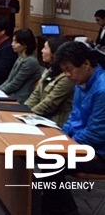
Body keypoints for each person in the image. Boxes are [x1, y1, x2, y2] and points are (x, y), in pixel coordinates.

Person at [42, 41, 105, 215]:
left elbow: (95, 134)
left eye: (70, 69)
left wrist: (65, 146)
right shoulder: (81, 83)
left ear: (86, 64)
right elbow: (73, 119)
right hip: (82, 145)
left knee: (50, 161)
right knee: (38, 156)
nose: (67, 75)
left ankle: (66, 211)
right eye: (64, 70)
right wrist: (62, 138)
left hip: (100, 152)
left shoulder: (102, 89)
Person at [24, 36, 74, 126]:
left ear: (55, 53)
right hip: (41, 118)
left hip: (56, 123)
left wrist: (28, 115)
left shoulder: (67, 77)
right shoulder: (50, 70)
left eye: (45, 48)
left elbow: (49, 103)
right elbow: (36, 95)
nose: (42, 51)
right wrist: (23, 110)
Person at [0, 29, 42, 103]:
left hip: (21, 99)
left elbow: (15, 84)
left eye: (16, 42)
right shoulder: (21, 58)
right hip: (12, 95)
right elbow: (9, 80)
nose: (12, 44)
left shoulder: (30, 61)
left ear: (25, 44)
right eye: (13, 41)